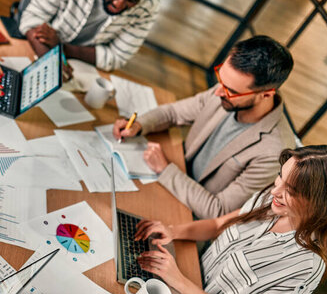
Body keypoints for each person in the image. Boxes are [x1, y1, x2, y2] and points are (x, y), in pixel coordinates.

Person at [134, 145, 327, 294]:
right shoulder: (271, 199)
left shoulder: (307, 264)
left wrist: (179, 280)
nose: (276, 190)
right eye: (280, 177)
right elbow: (218, 225)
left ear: (319, 203)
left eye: (291, 191)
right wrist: (173, 231)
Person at [113, 35, 296, 219]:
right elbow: (174, 113)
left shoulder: (273, 154)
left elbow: (218, 211)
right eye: (221, 79)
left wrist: (165, 169)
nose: (217, 92)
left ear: (266, 95)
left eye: (231, 91)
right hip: (174, 176)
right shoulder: (227, 89)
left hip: (189, 214)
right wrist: (139, 124)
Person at [19, 0, 160, 72]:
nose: (119, 4)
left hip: (81, 67)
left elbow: (117, 57)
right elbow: (31, 19)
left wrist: (62, 48)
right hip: (35, 48)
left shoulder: (148, 5)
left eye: (132, 1)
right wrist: (51, 64)